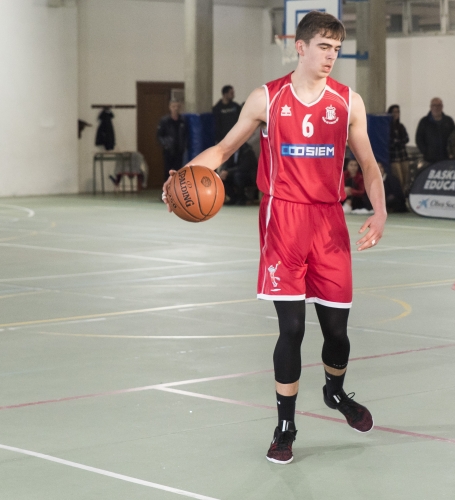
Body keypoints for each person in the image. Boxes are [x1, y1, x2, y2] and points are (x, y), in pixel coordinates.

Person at [161, 11, 386, 464]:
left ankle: (335, 391)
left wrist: (379, 211)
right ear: (300, 47)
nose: (331, 56)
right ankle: (285, 427)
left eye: (336, 49)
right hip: (282, 220)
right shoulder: (267, 97)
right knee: (293, 328)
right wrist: (182, 178)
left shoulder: (349, 102)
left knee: (337, 332)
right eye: (323, 47)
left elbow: (368, 164)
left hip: (329, 222)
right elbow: (223, 149)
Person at [415, 97, 455, 164]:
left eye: (438, 105)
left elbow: (454, 138)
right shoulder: (424, 122)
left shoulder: (448, 121)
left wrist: (451, 152)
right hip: (429, 160)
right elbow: (419, 139)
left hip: (446, 159)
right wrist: (426, 152)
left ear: (442, 106)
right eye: (434, 105)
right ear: (430, 107)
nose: (436, 108)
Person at [157, 99, 187, 179]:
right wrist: (166, 144)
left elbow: (185, 135)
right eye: (173, 106)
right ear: (170, 107)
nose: (175, 108)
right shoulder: (165, 121)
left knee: (178, 172)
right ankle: (167, 186)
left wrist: (184, 145)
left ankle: (177, 187)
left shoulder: (183, 121)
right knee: (168, 172)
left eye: (177, 106)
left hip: (179, 151)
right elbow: (159, 136)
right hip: (169, 151)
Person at [387, 104, 410, 192]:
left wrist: (397, 141)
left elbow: (406, 139)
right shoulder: (387, 127)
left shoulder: (401, 126)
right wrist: (398, 142)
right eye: (394, 112)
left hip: (403, 156)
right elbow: (390, 142)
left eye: (397, 112)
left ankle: (404, 195)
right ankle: (400, 195)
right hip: (394, 157)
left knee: (406, 178)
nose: (396, 114)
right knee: (398, 178)